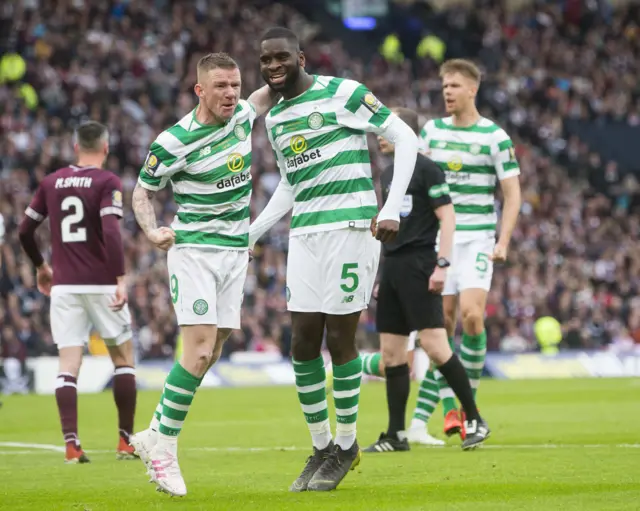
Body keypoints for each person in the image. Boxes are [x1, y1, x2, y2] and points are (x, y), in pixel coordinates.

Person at [249, 27, 419, 492]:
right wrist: (254, 230)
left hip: (350, 230)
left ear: (301, 58)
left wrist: (390, 208)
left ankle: (347, 444)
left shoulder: (343, 93)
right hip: (305, 234)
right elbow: (290, 184)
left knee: (340, 339)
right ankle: (323, 445)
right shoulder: (275, 119)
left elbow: (405, 139)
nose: (273, 67)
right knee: (302, 342)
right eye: (265, 61)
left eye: (281, 57)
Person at [128, 52, 277, 497]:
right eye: (221, 87)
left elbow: (268, 93)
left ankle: (153, 431)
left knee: (213, 352)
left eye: (235, 85)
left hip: (235, 254)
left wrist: (296, 67)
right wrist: (152, 230)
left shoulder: (243, 115)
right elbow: (142, 191)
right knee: (196, 353)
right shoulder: (173, 141)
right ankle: (164, 453)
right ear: (200, 90)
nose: (231, 94)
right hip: (193, 253)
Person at [363, 107, 491, 453]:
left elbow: (447, 218)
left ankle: (475, 418)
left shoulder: (428, 169)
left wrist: (442, 265)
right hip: (393, 267)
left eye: (385, 127)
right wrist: (380, 274)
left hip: (420, 265)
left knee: (436, 346)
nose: (379, 133)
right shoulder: (388, 173)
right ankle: (395, 434)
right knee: (392, 354)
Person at [410, 58, 521, 440]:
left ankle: (468, 406)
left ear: (472, 89)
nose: (447, 92)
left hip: (477, 238)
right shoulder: (432, 132)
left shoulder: (495, 136)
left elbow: (512, 193)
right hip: (440, 241)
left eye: (454, 86)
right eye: (444, 86)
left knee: (473, 317)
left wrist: (503, 240)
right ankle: (452, 412)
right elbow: (418, 184)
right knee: (442, 326)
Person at [18, 121, 137, 463]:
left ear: (74, 147)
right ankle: (125, 442)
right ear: (105, 147)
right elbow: (112, 232)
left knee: (68, 365)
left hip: (65, 285)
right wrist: (120, 278)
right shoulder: (107, 181)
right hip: (101, 283)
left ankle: (71, 444)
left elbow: (25, 230)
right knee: (123, 360)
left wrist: (41, 266)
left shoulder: (51, 182)